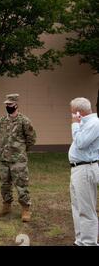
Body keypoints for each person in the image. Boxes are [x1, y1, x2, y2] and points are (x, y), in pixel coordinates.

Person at [0, 94, 36, 222]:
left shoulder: (24, 121)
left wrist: (22, 151)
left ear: (16, 104)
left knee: (21, 184)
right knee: (4, 184)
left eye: (9, 104)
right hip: (4, 159)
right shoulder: (2, 120)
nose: (7, 106)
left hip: (18, 160)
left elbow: (31, 139)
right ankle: (6, 206)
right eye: (6, 104)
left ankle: (26, 209)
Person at [68, 97, 99, 246]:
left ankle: (89, 243)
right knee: (77, 207)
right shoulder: (85, 123)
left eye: (72, 113)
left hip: (86, 168)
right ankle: (80, 240)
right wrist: (78, 124)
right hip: (78, 169)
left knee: (86, 209)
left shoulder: (94, 123)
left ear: (78, 112)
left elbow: (80, 143)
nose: (71, 116)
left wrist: (75, 125)